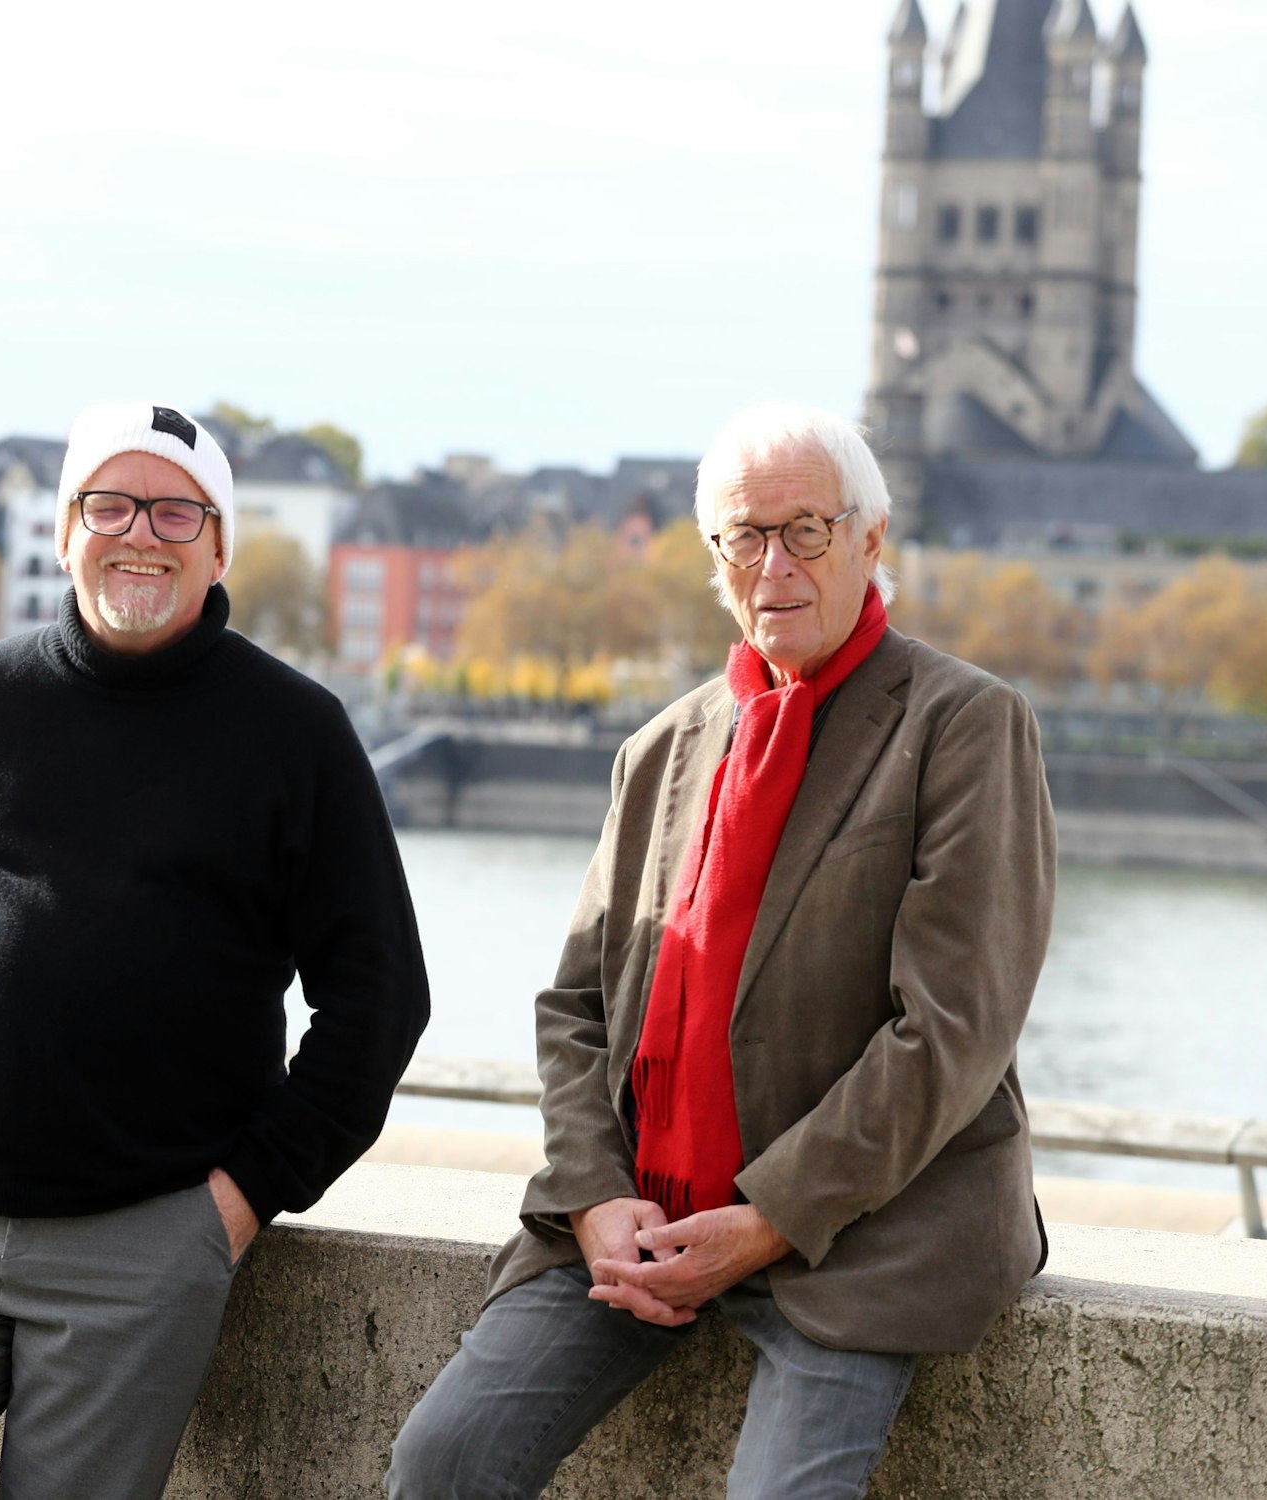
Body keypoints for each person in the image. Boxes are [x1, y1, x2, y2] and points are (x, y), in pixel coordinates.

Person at [388, 403, 1055, 1500]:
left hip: (856, 1234)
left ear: (868, 539)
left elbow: (948, 1030)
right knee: (442, 1461)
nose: (772, 564)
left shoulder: (964, 724)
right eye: (742, 536)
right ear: (713, 559)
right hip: (639, 1218)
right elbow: (573, 1008)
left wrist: (767, 1219)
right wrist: (595, 1196)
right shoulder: (660, 749)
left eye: (805, 531)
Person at [0, 402, 430, 1500]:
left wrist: (235, 1202)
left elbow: (379, 1000)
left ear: (220, 544)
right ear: (63, 530)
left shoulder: (296, 734)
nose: (139, 533)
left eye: (175, 512)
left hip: (139, 1244)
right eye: (110, 503)